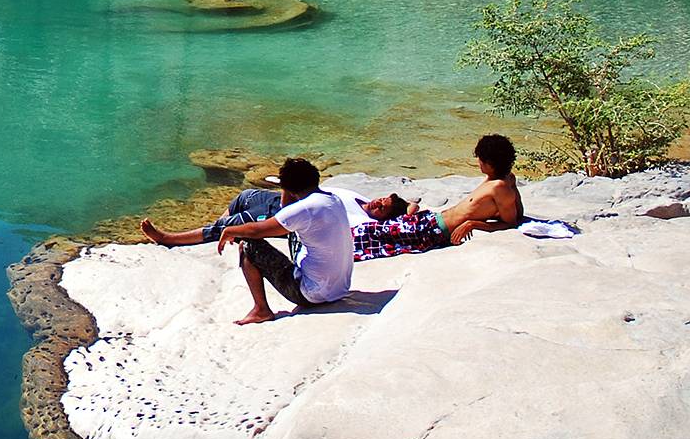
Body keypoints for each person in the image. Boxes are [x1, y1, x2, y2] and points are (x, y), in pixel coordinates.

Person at [215, 157, 355, 326]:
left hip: (311, 294)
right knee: (296, 230)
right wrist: (287, 187)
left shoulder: (304, 209)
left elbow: (258, 230)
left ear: (287, 187)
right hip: (339, 289)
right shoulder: (333, 199)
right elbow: (286, 211)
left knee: (248, 244)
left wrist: (230, 230)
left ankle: (261, 310)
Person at [351, 134, 524, 261]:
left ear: (490, 164)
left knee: (371, 235)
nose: (478, 163)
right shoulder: (499, 179)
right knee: (374, 229)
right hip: (430, 220)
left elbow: (512, 221)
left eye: (481, 160)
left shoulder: (500, 187)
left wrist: (472, 224)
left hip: (432, 233)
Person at [140, 184, 407, 247]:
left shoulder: (365, 223)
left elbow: (410, 214)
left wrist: (406, 211)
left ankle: (169, 239)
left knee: (233, 225)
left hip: (289, 218)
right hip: (284, 201)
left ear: (384, 217)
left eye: (382, 207)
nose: (376, 204)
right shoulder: (355, 197)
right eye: (380, 199)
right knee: (245, 196)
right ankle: (222, 229)